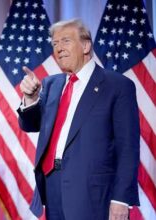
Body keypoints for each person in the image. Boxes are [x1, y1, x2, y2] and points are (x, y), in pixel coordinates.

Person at [18, 19, 140, 220]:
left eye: (65, 41)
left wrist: (121, 199)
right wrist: (30, 99)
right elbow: (31, 125)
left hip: (93, 193)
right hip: (52, 187)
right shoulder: (51, 84)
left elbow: (128, 148)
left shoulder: (117, 86)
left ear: (86, 45)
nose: (59, 49)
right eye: (55, 44)